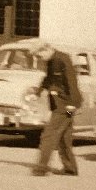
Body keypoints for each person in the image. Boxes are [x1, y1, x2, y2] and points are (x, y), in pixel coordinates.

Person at [29, 42, 84, 177]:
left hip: (66, 105)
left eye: (39, 55)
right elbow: (48, 79)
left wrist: (73, 104)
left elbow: (72, 82)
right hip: (60, 104)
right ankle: (70, 169)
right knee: (64, 137)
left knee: (49, 135)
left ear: (47, 49)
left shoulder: (62, 59)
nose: (39, 59)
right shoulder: (51, 61)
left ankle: (41, 169)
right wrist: (37, 92)